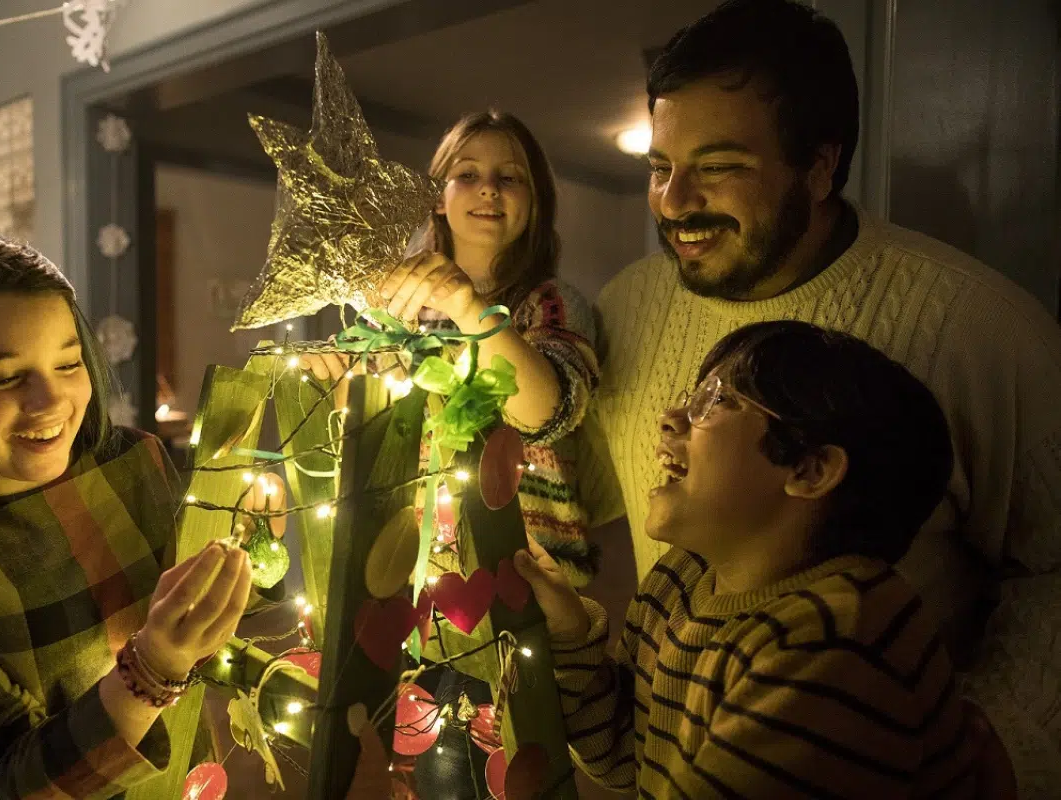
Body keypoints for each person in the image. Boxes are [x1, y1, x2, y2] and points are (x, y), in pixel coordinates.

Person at [577, 0, 1061, 791]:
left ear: (821, 166)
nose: (672, 202)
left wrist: (1000, 738)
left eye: (721, 165)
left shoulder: (979, 326)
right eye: (659, 169)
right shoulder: (627, 307)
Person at [0, 231, 269, 799]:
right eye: (4, 377)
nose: (51, 400)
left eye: (68, 363)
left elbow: (205, 626)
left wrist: (253, 544)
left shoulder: (132, 462)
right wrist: (150, 669)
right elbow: (1, 785)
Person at [520, 320, 977, 796]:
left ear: (808, 470)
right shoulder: (686, 574)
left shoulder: (831, 650)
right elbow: (626, 756)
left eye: (718, 401)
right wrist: (572, 633)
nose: (671, 418)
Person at [302, 110, 600, 797]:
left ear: (537, 200)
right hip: (413, 592)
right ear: (440, 195)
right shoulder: (400, 314)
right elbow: (373, 436)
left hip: (526, 589)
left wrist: (470, 308)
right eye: (468, 174)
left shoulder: (552, 305)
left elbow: (544, 412)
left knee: (512, 771)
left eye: (509, 177)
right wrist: (334, 384)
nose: (488, 189)